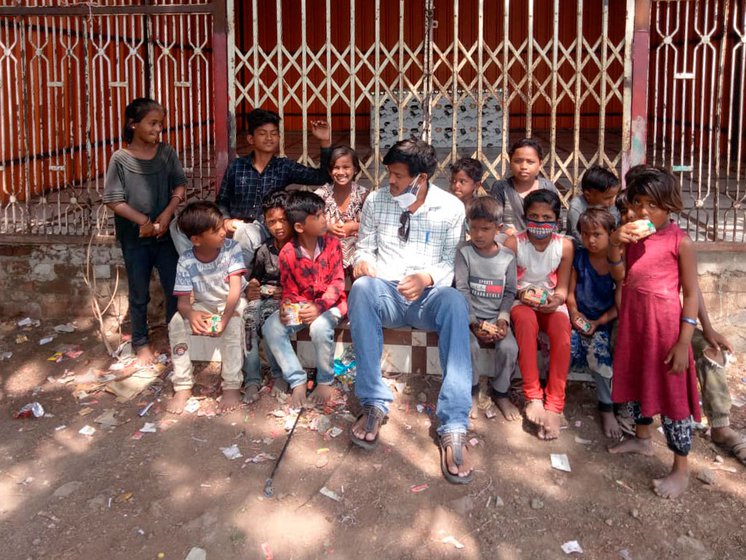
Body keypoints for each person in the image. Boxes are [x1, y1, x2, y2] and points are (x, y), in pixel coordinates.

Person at [348, 138, 474, 485]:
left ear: (421, 178)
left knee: (454, 304)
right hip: (386, 292)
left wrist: (426, 277)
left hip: (428, 297)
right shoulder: (376, 201)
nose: (391, 182)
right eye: (389, 173)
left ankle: (453, 424)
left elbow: (450, 261)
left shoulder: (450, 208)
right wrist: (363, 263)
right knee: (360, 290)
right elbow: (364, 247)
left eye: (399, 176)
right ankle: (373, 402)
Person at [608, 166, 700, 499]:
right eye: (638, 203)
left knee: (674, 396)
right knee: (639, 380)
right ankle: (643, 438)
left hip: (665, 330)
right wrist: (616, 243)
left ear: (670, 206)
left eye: (653, 205)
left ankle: (681, 468)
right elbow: (618, 274)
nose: (644, 212)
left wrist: (684, 340)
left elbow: (691, 293)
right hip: (635, 325)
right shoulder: (633, 236)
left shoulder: (681, 242)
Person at [174, 108, 331, 265]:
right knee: (179, 226)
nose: (269, 138)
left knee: (246, 232)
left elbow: (322, 176)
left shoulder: (284, 166)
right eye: (262, 133)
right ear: (251, 139)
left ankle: (234, 279)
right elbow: (221, 201)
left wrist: (325, 142)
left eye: (274, 133)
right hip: (232, 224)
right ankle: (197, 267)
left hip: (262, 228)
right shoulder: (236, 166)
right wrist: (227, 221)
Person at [103, 97, 187, 366]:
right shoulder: (120, 159)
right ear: (133, 124)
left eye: (160, 124)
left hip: (165, 236)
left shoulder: (166, 153)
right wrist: (143, 222)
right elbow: (114, 200)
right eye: (152, 123)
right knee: (139, 292)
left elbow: (179, 187)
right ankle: (140, 341)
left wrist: (165, 215)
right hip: (134, 239)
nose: (157, 129)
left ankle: (177, 337)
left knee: (174, 287)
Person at [262, 191, 347, 409]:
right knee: (272, 326)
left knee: (319, 327)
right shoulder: (288, 253)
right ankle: (297, 379)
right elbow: (289, 289)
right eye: (318, 216)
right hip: (303, 304)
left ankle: (325, 380)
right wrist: (286, 307)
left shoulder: (332, 244)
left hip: (332, 304)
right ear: (300, 227)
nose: (324, 220)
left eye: (323, 214)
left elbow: (337, 283)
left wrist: (319, 307)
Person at [166, 201, 248, 414]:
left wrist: (224, 318)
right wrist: (191, 314)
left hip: (231, 302)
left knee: (234, 323)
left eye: (222, 226)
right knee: (176, 323)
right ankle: (182, 384)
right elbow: (183, 303)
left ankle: (231, 384)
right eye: (216, 230)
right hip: (203, 304)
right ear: (196, 239)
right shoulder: (185, 260)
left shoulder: (231, 249)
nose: (223, 232)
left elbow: (235, 291)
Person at [504, 190, 573, 441]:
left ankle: (555, 404)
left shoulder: (564, 246)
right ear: (524, 217)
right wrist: (523, 297)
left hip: (552, 303)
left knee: (562, 334)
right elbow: (509, 285)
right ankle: (533, 396)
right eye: (534, 216)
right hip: (521, 301)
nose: (540, 223)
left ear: (556, 220)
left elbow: (563, 287)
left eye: (547, 217)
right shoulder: (514, 244)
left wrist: (556, 300)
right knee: (525, 322)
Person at [454, 197, 520, 421]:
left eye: (486, 229)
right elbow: (461, 288)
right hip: (469, 316)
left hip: (495, 317)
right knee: (469, 346)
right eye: (474, 227)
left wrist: (503, 319)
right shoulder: (464, 252)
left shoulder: (507, 256)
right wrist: (473, 322)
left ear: (498, 229)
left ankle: (501, 392)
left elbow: (510, 291)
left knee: (509, 348)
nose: (479, 234)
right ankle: (472, 391)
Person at [566, 209, 619, 438]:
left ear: (611, 234)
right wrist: (575, 313)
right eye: (586, 234)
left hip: (603, 321)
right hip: (578, 318)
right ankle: (555, 394)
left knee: (600, 357)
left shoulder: (617, 262)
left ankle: (606, 406)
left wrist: (598, 322)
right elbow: (569, 293)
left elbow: (620, 304)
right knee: (565, 347)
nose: (591, 240)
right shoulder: (579, 257)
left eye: (597, 234)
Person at [242, 191, 291, 404]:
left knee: (271, 318)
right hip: (264, 295)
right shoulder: (264, 250)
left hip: (286, 299)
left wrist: (286, 292)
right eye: (272, 222)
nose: (278, 226)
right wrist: (252, 286)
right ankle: (252, 378)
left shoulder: (298, 247)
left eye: (283, 220)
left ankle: (279, 374)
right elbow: (256, 277)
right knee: (249, 318)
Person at [314, 145, 368, 271]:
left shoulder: (364, 195)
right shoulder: (321, 195)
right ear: (329, 171)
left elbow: (375, 224)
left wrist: (355, 226)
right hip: (326, 246)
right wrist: (327, 227)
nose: (341, 172)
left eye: (346, 167)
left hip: (357, 248)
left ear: (355, 169)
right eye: (336, 168)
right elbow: (308, 221)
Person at [491, 138, 559, 235]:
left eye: (530, 162)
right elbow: (494, 220)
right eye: (518, 161)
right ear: (510, 163)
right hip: (510, 242)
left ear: (540, 164)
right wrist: (510, 232)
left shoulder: (547, 187)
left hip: (542, 239)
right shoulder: (501, 187)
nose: (523, 166)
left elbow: (556, 219)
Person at [566, 165, 621, 245]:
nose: (612, 202)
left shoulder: (611, 206)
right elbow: (577, 234)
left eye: (613, 197)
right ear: (588, 195)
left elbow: (613, 228)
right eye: (607, 198)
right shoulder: (577, 206)